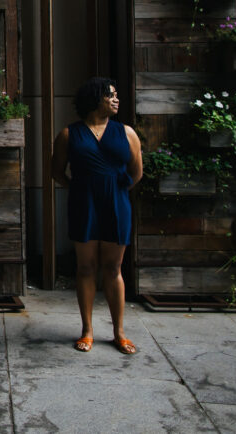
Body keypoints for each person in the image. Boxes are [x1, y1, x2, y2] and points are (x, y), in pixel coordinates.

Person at [51, 77, 142, 355]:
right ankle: (87, 331)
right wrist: (79, 189)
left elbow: (136, 172)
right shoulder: (69, 133)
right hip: (84, 204)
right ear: (95, 99)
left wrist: (115, 191)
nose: (116, 100)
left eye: (116, 95)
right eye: (110, 95)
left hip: (117, 203)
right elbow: (57, 171)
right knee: (86, 267)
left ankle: (119, 333)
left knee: (113, 269)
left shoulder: (126, 133)